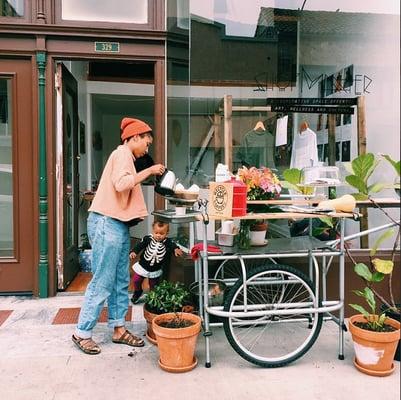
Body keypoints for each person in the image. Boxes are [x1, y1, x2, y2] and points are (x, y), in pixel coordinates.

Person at [72, 117, 166, 355]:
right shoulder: (122, 154)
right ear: (134, 137)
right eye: (146, 142)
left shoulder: (127, 157)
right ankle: (82, 332)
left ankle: (118, 329)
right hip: (107, 222)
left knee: (120, 281)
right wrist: (150, 170)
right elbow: (122, 183)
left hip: (116, 224)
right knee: (103, 280)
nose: (147, 147)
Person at [130, 221, 183, 304]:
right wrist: (134, 252)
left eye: (162, 233)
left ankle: (153, 298)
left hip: (155, 269)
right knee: (136, 280)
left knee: (153, 285)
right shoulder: (148, 239)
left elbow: (173, 245)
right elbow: (139, 245)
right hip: (142, 266)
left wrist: (176, 249)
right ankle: (138, 292)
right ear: (153, 231)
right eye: (156, 233)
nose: (158, 235)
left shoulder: (167, 241)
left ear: (166, 233)